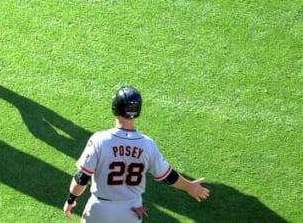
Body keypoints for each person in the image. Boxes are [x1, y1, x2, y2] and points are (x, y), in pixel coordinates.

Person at [63, 86, 210, 222]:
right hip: (131, 211)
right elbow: (167, 176)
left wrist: (71, 199)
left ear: (115, 107)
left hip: (101, 209)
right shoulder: (147, 144)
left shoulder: (100, 140)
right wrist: (189, 186)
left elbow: (82, 177)